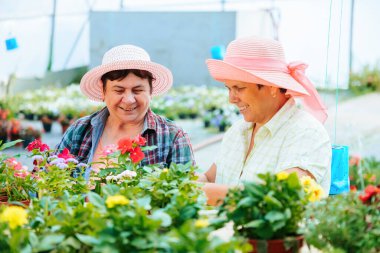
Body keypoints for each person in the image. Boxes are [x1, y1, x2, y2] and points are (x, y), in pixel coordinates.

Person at [198, 36, 331, 205]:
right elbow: (210, 178)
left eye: (239, 88)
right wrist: (182, 184)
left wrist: (202, 192)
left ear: (272, 87)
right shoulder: (238, 130)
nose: (231, 99)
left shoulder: (306, 132)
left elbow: (280, 197)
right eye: (229, 88)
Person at [56, 45, 195, 174]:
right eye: (119, 90)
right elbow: (48, 178)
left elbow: (186, 192)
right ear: (103, 91)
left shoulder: (173, 137)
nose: (129, 99)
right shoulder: (79, 131)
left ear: (150, 91)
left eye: (138, 90)